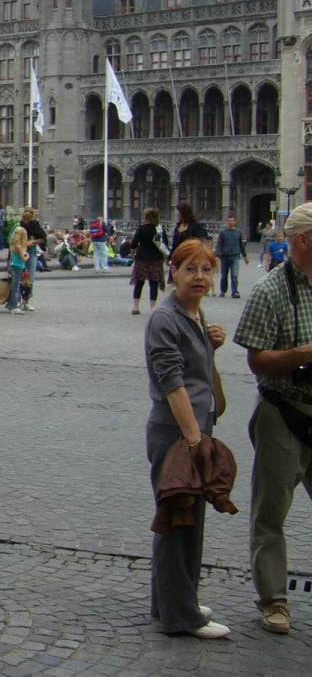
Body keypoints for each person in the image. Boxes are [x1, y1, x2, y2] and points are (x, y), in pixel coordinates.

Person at [232, 202, 312, 636]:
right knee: (271, 514)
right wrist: (301, 356)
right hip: (283, 413)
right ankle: (274, 600)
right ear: (303, 241)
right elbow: (257, 360)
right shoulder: (270, 290)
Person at [146, 238, 231, 639]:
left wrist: (209, 344)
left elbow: (193, 368)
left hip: (193, 428)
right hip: (178, 433)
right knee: (179, 520)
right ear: (173, 273)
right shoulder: (165, 317)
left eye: (206, 270)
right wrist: (196, 440)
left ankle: (171, 600)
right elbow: (171, 381)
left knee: (182, 518)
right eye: (191, 269)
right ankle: (181, 617)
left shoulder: (194, 314)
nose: (200, 277)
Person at [130, 207, 169, 316]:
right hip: (156, 258)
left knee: (139, 282)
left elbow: (134, 243)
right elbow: (164, 244)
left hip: (142, 258)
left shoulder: (142, 229)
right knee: (154, 283)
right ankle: (152, 308)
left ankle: (136, 306)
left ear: (146, 217)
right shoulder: (159, 229)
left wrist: (134, 252)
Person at [214, 215, 248, 297]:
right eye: (229, 220)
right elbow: (219, 244)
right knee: (224, 275)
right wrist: (217, 254)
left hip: (235, 256)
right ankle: (223, 290)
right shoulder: (223, 232)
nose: (230, 222)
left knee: (234, 275)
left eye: (232, 220)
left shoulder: (238, 232)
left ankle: (235, 291)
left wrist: (245, 256)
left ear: (235, 222)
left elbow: (241, 245)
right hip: (225, 256)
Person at [6, 220, 29, 313]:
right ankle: (13, 306)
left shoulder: (14, 245)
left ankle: (11, 304)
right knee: (16, 287)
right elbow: (24, 258)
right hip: (18, 266)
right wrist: (27, 256)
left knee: (15, 286)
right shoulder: (19, 246)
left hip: (14, 265)